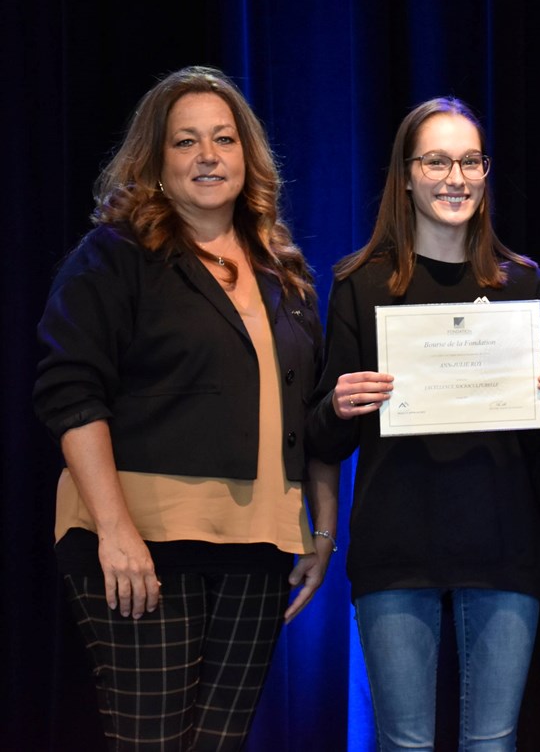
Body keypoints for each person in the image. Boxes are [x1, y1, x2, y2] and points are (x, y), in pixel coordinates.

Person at [33, 66, 338, 751]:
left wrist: (320, 532)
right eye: (186, 142)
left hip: (259, 542)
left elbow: (309, 412)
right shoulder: (114, 257)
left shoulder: (281, 272)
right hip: (141, 540)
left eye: (224, 140)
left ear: (247, 157)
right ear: (156, 162)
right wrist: (114, 531)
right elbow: (69, 393)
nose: (208, 156)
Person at [307, 97, 540, 752]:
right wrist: (338, 404)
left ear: (485, 173)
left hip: (502, 541)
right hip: (396, 543)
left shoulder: (523, 284)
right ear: (406, 175)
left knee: (492, 742)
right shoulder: (359, 285)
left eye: (469, 161)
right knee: (403, 743)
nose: (455, 177)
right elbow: (321, 437)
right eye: (436, 161)